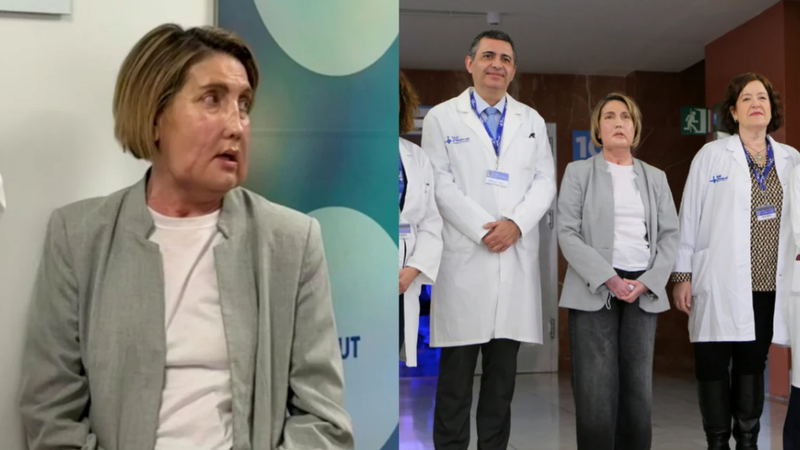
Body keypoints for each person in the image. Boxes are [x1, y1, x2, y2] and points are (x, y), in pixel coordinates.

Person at [18, 24, 354, 450]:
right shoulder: (78, 237)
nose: (237, 126)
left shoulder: (291, 241)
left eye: (244, 105)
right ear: (154, 116)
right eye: (213, 99)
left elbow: (323, 420)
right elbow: (49, 412)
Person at [421, 30, 556, 450]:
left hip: (513, 261)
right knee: (455, 384)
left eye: (505, 59)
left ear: (513, 70)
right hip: (465, 262)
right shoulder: (442, 117)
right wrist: (486, 228)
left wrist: (515, 224)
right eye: (488, 56)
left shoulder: (531, 121)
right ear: (470, 63)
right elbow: (438, 183)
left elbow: (545, 182)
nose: (497, 64)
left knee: (501, 387)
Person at [672, 72, 799, 450]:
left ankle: (747, 441)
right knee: (711, 361)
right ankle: (716, 442)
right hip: (718, 279)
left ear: (772, 109)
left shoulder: (791, 159)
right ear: (733, 111)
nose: (756, 104)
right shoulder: (712, 155)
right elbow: (689, 216)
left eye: (762, 98)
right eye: (746, 98)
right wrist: (683, 274)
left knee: (752, 362)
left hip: (768, 283)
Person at [558, 93, 679, 450]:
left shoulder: (655, 177)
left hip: (642, 290)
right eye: (609, 116)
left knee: (638, 392)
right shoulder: (579, 172)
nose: (618, 123)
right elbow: (567, 232)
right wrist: (608, 277)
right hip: (595, 289)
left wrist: (648, 281)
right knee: (595, 391)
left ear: (635, 127)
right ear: (598, 129)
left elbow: (670, 236)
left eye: (625, 116)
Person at [398, 71, 443, 364]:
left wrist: (414, 269)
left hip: (403, 275)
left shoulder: (415, 156)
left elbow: (430, 221)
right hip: (361, 277)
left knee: (388, 358)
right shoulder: (350, 151)